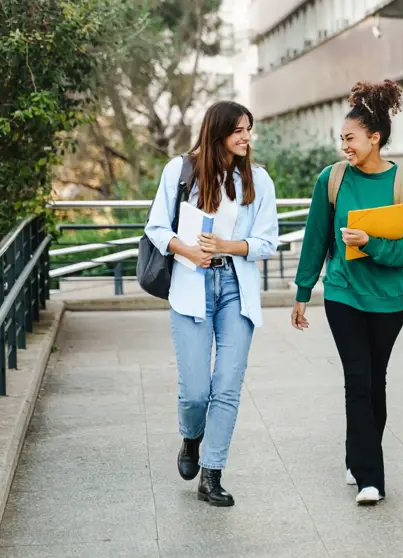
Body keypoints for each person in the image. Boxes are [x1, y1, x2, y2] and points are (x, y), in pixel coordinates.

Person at [291, 80, 403, 506]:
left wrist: (370, 243)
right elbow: (315, 238)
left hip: (389, 299)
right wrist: (303, 289)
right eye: (341, 138)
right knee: (357, 380)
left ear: (374, 138)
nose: (344, 145)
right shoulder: (331, 179)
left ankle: (357, 455)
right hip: (343, 293)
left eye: (350, 138)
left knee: (375, 380)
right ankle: (371, 478)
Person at [144, 101, 279, 507]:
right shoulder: (180, 170)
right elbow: (155, 227)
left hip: (236, 287)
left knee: (227, 389)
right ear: (217, 131)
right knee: (195, 393)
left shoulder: (257, 179)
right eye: (238, 129)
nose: (246, 137)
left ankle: (212, 474)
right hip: (191, 285)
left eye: (248, 129)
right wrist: (187, 252)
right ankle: (191, 439)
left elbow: (267, 241)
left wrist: (227, 246)